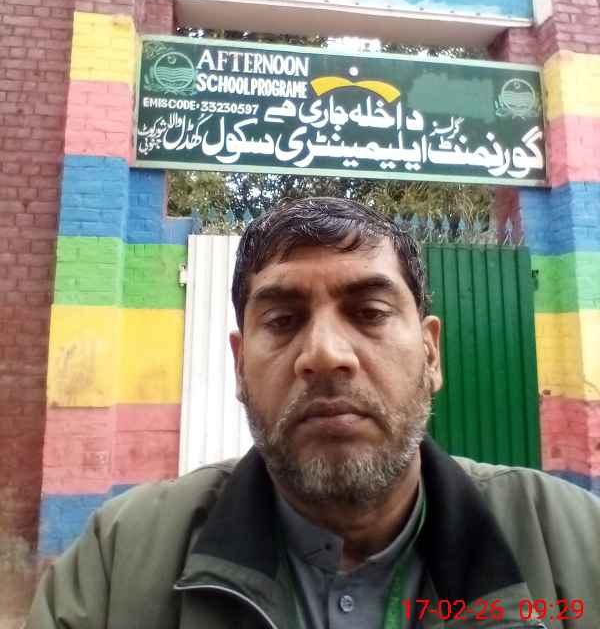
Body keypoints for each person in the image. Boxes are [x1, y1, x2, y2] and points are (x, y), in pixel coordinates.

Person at [28, 197, 600, 629]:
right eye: (282, 321)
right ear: (239, 366)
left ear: (431, 354)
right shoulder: (116, 562)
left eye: (370, 312)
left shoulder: (575, 543)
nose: (325, 355)